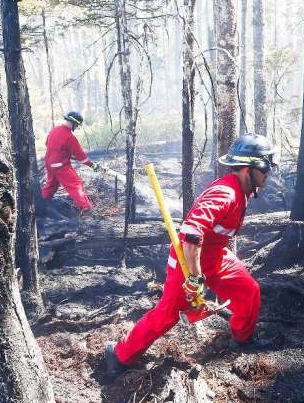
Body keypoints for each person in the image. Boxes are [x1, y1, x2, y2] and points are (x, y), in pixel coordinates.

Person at [105, 133, 277, 376]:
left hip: (215, 255)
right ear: (249, 169)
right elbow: (192, 233)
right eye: (265, 167)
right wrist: (195, 278)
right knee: (167, 315)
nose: (269, 173)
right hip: (188, 259)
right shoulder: (225, 193)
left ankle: (242, 339)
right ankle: (119, 354)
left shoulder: (245, 189)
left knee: (248, 291)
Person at [40, 111, 101, 213]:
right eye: (77, 125)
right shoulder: (70, 137)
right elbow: (81, 157)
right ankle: (86, 208)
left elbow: (48, 144)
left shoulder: (54, 130)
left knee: (51, 185)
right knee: (76, 184)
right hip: (60, 166)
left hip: (50, 163)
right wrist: (93, 165)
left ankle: (41, 202)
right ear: (73, 122)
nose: (77, 127)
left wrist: (65, 154)